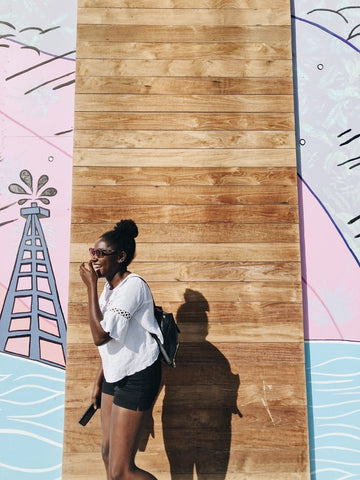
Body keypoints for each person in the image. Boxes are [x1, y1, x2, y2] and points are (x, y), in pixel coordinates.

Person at [79, 219, 163, 480]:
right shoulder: (109, 288)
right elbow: (116, 342)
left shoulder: (132, 286)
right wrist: (99, 379)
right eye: (92, 252)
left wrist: (90, 286)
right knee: (106, 452)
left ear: (121, 257)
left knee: (122, 471)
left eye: (100, 253)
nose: (94, 259)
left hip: (138, 376)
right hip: (114, 376)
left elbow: (101, 335)